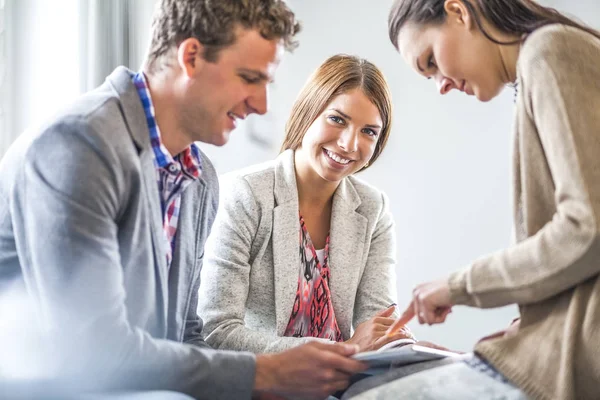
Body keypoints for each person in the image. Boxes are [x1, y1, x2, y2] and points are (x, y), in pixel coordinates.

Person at [0, 1, 367, 399]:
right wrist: (262, 374)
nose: (261, 105)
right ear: (190, 57)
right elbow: (93, 353)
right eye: (248, 78)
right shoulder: (79, 146)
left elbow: (185, 336)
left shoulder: (199, 177)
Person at [375, 0, 600, 399]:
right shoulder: (544, 60)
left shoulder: (550, 50)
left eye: (430, 61)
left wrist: (457, 286)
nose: (441, 83)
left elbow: (587, 228)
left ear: (459, 12)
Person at [198, 54, 415, 354]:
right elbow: (217, 332)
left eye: (369, 131)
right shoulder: (245, 195)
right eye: (337, 119)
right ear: (307, 112)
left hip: (342, 382)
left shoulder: (372, 208)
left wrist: (403, 344)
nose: (349, 144)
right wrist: (344, 350)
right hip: (263, 384)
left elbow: (378, 327)